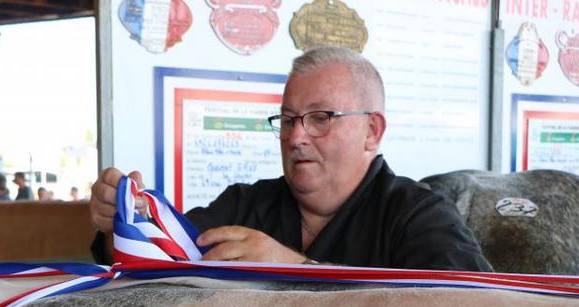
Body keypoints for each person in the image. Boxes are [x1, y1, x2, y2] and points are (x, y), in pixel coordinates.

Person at [89, 46, 491, 272]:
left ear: (373, 131)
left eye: (320, 118)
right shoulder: (246, 205)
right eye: (287, 119)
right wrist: (125, 223)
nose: (296, 137)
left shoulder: (418, 216)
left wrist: (298, 270)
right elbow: (167, 259)